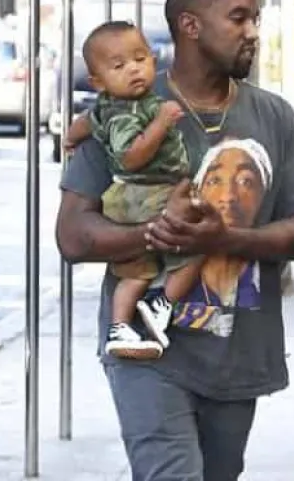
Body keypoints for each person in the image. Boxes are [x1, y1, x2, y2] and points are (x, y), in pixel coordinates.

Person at [55, 0, 294, 481]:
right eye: (238, 19)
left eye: (255, 19)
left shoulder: (273, 116)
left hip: (238, 356)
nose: (252, 32)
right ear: (190, 25)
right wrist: (155, 234)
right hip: (146, 353)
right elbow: (72, 236)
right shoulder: (122, 107)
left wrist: (225, 239)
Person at [67, 21, 203, 360]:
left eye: (140, 59)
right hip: (149, 191)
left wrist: (70, 137)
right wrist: (162, 123)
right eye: (119, 66)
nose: (133, 69)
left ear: (153, 60)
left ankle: (119, 327)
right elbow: (131, 156)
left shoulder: (104, 107)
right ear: (98, 81)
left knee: (136, 271)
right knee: (198, 246)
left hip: (126, 195)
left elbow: (83, 123)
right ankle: (163, 304)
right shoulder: (127, 114)